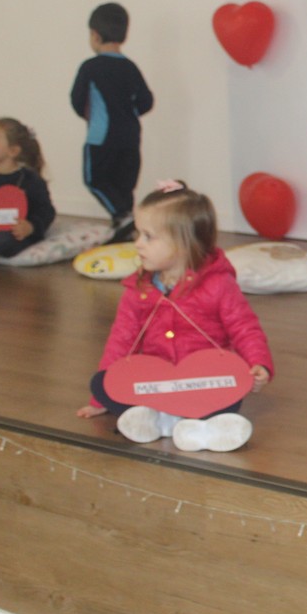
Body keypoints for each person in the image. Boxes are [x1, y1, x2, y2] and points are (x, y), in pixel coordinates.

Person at [76, 181, 273, 453]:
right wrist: (100, 400)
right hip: (157, 381)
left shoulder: (218, 284)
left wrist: (258, 363)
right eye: (138, 234)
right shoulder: (139, 288)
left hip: (201, 380)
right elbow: (121, 340)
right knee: (101, 383)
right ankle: (175, 421)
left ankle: (177, 422)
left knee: (231, 390)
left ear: (182, 244)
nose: (138, 244)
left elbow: (244, 328)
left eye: (149, 237)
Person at [71, 2, 154, 243]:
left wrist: (89, 115)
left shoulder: (90, 67)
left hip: (101, 138)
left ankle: (123, 217)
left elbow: (77, 100)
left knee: (94, 179)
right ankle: (126, 232)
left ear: (95, 35)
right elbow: (146, 101)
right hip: (130, 138)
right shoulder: (130, 67)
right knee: (123, 186)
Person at [0, 117, 55, 263]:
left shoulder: (31, 180)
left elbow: (46, 211)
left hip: (16, 235)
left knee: (3, 237)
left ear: (13, 151)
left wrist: (31, 227)